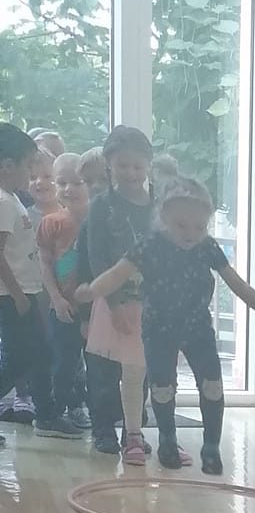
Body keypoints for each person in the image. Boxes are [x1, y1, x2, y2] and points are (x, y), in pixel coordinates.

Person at [79, 175, 255, 476]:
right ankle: (168, 442)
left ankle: (211, 448)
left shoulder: (207, 247)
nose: (191, 234)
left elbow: (236, 282)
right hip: (159, 329)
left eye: (199, 227)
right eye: (182, 225)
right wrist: (92, 290)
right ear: (164, 218)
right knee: (163, 387)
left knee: (212, 385)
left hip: (197, 328)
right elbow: (117, 274)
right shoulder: (149, 246)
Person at [0, 124, 85, 442]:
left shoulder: (11, 199)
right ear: (8, 166)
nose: (30, 174)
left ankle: (46, 415)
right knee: (22, 356)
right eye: (27, 166)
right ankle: (47, 415)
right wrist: (18, 295)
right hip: (12, 296)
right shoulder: (3, 202)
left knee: (39, 353)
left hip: (24, 293)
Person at [83, 125, 155, 464]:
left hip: (151, 302)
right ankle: (103, 429)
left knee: (140, 370)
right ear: (109, 165)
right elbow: (96, 255)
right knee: (105, 371)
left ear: (148, 165)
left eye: (138, 166)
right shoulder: (102, 205)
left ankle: (133, 431)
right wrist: (112, 303)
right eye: (123, 165)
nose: (131, 172)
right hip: (114, 298)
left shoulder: (159, 204)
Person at [37, 153, 91, 430]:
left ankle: (84, 407)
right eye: (62, 183)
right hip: (63, 307)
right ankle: (58, 411)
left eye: (77, 183)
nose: (69, 189)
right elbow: (45, 264)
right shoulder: (51, 222)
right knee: (64, 362)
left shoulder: (100, 221)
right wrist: (57, 299)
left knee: (95, 364)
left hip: (95, 307)